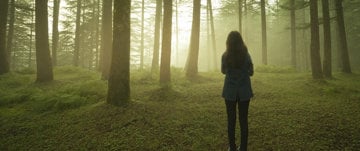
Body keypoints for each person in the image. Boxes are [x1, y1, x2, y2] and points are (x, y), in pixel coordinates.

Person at [221, 31, 253, 151]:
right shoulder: (246, 55)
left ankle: (232, 147)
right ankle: (243, 147)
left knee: (231, 120)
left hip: (229, 92)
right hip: (244, 92)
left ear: (228, 42)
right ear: (240, 41)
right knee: (243, 121)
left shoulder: (225, 56)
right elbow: (251, 72)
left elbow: (223, 71)